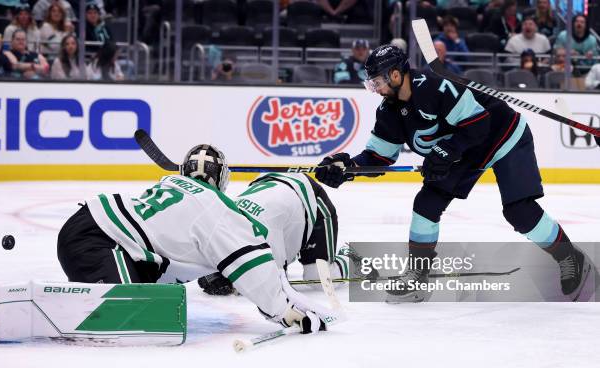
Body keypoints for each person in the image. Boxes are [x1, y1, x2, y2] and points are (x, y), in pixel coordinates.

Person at [315, 44, 596, 302]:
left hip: (503, 135)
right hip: (465, 150)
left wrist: (447, 150)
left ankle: (569, 256)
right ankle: (418, 275)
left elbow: (477, 124)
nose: (375, 88)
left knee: (519, 211)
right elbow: (378, 157)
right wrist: (348, 168)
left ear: (397, 75)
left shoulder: (434, 87)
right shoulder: (388, 112)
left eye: (377, 82)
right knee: (426, 203)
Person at [57, 145, 329, 333]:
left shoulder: (172, 184)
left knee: (156, 306)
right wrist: (282, 310)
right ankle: (82, 306)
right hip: (101, 241)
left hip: (89, 229)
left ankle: (84, 299)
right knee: (131, 322)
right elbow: (250, 265)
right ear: (222, 178)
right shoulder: (215, 207)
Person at [193, 173, 350, 295]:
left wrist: (235, 284)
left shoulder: (266, 234)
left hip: (311, 198)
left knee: (319, 280)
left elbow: (277, 287)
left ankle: (353, 255)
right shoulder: (224, 225)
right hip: (271, 188)